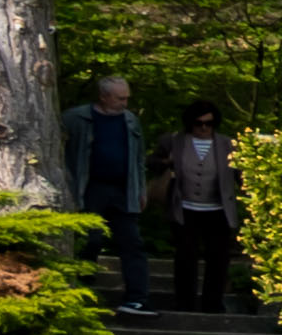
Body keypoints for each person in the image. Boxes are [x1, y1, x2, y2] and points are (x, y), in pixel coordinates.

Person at [62, 71, 145, 312]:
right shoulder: (76, 119)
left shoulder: (130, 121)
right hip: (90, 188)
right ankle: (83, 291)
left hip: (123, 189)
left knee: (132, 243)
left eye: (126, 98)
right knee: (90, 240)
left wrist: (140, 189)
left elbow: (138, 157)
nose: (124, 103)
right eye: (120, 98)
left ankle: (137, 298)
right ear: (104, 97)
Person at [161, 103, 242, 312]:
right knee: (185, 257)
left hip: (217, 209)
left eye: (209, 124)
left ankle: (213, 302)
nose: (204, 128)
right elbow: (152, 161)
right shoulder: (175, 141)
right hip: (185, 208)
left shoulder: (228, 144)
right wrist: (165, 163)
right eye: (199, 124)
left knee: (218, 259)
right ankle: (184, 301)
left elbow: (242, 175)